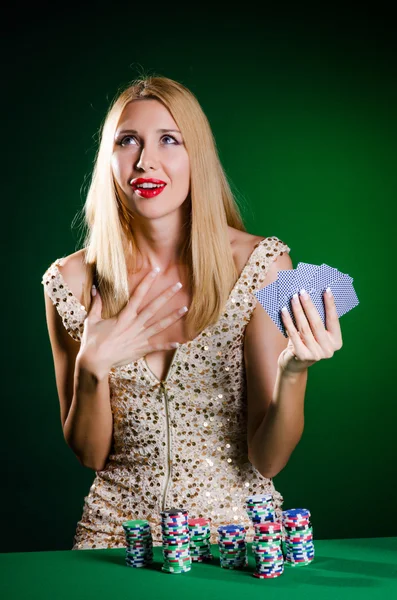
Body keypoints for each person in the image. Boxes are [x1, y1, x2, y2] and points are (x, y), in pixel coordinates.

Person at [41, 75, 343, 550]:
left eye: (168, 140)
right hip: (115, 540)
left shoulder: (263, 265)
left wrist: (293, 372)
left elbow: (267, 461)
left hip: (236, 539)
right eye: (128, 141)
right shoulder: (72, 280)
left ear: (195, 154)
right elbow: (91, 454)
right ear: (109, 159)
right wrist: (92, 368)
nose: (145, 160)